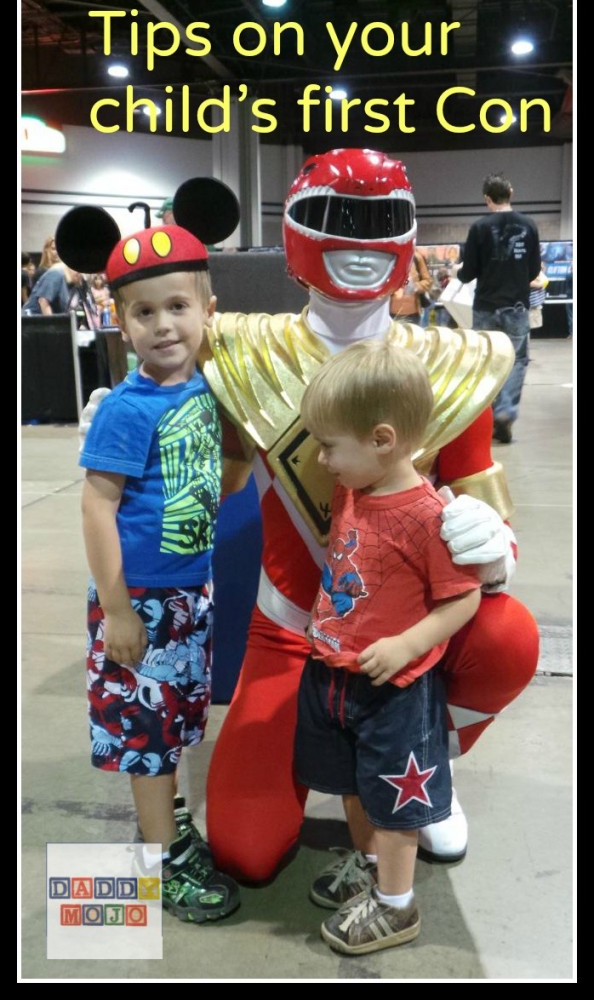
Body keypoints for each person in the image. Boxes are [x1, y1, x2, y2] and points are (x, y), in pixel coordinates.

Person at [79, 152, 540, 883]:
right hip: (291, 628)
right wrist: (128, 429)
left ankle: (425, 771)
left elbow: (481, 489)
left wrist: (493, 543)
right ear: (295, 230)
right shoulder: (237, 352)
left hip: (401, 634)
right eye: (336, 217)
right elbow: (199, 427)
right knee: (244, 847)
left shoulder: (456, 361)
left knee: (507, 634)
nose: (358, 241)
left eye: (381, 220)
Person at [57, 186, 242, 924]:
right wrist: (118, 608)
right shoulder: (130, 410)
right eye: (144, 312)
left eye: (178, 307)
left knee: (175, 727)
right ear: (119, 320)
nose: (164, 325)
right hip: (142, 604)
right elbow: (96, 505)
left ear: (208, 310)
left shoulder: (204, 391)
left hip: (190, 596)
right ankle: (159, 862)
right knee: (146, 738)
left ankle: (170, 827)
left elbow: (224, 482)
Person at [296, 339, 481, 954]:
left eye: (329, 445)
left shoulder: (428, 516)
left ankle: (397, 906)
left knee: (396, 802)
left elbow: (464, 599)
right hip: (336, 676)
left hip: (394, 691)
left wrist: (406, 644)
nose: (322, 459)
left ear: (381, 439)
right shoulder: (355, 486)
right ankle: (372, 870)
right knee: (354, 784)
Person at [457, 173, 542, 445]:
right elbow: (533, 270)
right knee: (516, 360)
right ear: (511, 193)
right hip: (516, 306)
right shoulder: (529, 226)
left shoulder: (479, 228)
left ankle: (488, 419)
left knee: (487, 362)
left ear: (486, 199)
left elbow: (467, 274)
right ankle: (506, 411)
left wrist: (459, 273)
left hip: (485, 307)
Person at [389, 249, 433, 324]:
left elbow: (428, 281)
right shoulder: (388, 258)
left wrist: (415, 287)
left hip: (413, 315)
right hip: (391, 315)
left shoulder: (416, 257)